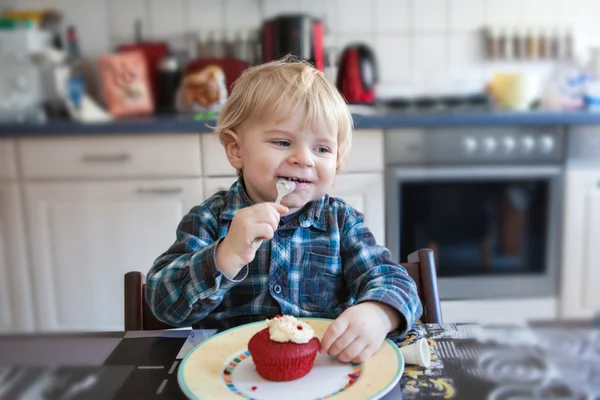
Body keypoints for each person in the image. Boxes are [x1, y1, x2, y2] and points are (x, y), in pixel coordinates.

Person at [145, 57, 422, 363]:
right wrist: (224, 257)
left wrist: (379, 314)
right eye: (282, 141)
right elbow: (162, 304)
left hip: (321, 373)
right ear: (236, 149)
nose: (304, 159)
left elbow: (395, 282)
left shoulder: (341, 222)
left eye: (322, 149)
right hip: (228, 375)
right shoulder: (209, 219)